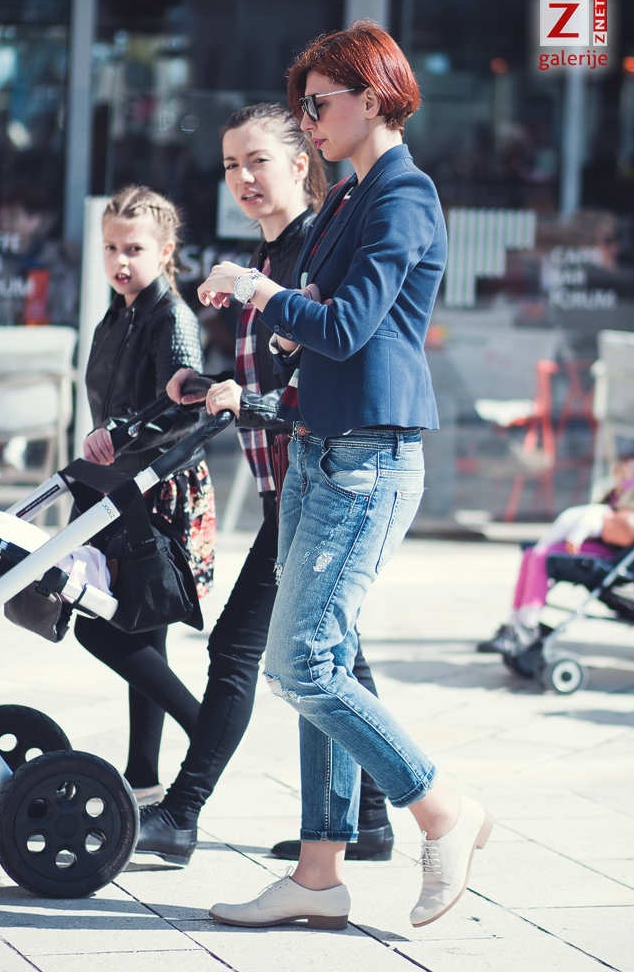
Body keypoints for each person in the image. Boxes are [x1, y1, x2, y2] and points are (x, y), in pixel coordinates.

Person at [193, 22, 492, 931]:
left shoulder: (404, 194)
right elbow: (317, 330)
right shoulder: (351, 198)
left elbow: (344, 326)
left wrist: (259, 292)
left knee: (301, 663)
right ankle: (317, 875)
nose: (309, 119)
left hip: (370, 456)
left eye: (318, 103)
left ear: (371, 97)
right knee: (312, 662)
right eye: (304, 104)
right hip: (319, 447)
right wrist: (279, 328)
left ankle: (440, 808)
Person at [138, 103, 395, 866]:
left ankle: (181, 813)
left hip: (315, 484)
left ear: (298, 164)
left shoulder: (313, 254)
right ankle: (370, 820)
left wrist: (245, 400)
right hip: (288, 489)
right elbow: (275, 374)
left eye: (257, 161)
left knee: (238, 648)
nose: (243, 177)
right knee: (336, 653)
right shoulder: (271, 256)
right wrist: (205, 385)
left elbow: (321, 378)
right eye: (230, 165)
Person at [75, 185, 215, 808]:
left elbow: (185, 407)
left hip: (158, 495)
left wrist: (121, 434)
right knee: (143, 633)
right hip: (121, 493)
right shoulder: (115, 315)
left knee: (107, 627)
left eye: (133, 248)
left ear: (165, 251)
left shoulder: (170, 317)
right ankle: (142, 778)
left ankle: (206, 729)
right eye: (110, 247)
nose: (119, 260)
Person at [479, 455, 634, 653]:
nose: (623, 469)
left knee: (540, 556)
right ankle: (517, 621)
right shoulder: (615, 492)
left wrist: (629, 484)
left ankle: (527, 625)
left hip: (612, 553)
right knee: (531, 553)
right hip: (595, 544)